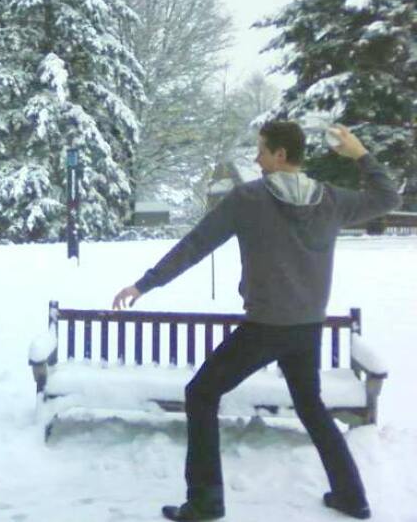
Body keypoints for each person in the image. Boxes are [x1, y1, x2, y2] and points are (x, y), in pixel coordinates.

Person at [112, 122, 400, 521]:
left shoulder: (249, 199)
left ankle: (205, 502)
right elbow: (387, 197)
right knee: (311, 407)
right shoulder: (331, 200)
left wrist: (145, 284)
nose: (256, 158)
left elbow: (195, 244)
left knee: (200, 394)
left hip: (265, 328)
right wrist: (360, 154)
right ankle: (352, 497)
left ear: (280, 155)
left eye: (262, 150)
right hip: (306, 329)